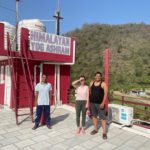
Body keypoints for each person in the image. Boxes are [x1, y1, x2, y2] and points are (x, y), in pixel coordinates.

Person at [89, 72, 108, 139]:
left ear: (100, 77)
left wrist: (103, 103)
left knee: (103, 118)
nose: (97, 77)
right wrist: (90, 101)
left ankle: (104, 132)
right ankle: (96, 129)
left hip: (100, 104)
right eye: (96, 76)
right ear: (94, 76)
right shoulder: (91, 83)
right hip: (92, 103)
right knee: (94, 116)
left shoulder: (103, 84)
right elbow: (90, 92)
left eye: (99, 76)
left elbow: (105, 94)